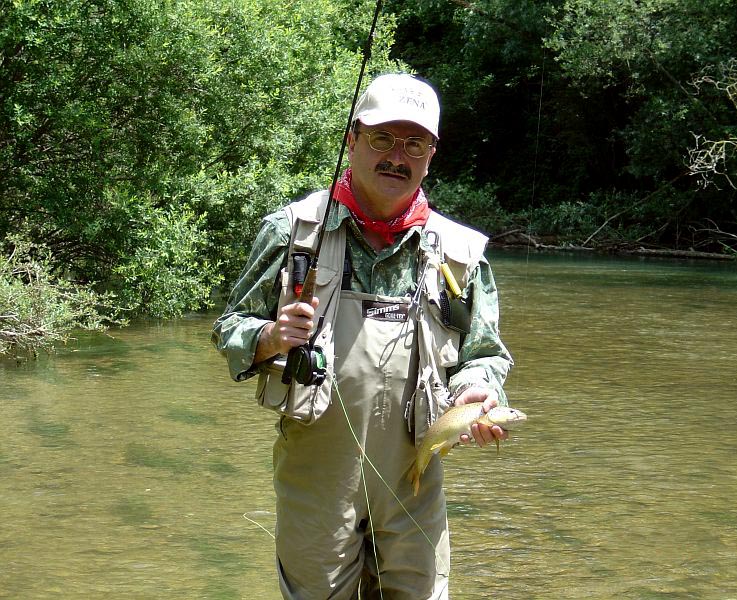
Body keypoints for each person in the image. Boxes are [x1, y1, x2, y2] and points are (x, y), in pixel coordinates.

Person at [212, 73, 513, 600]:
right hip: (316, 479)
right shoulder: (292, 232)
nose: (397, 156)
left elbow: (485, 355)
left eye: (414, 143)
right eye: (382, 139)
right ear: (353, 140)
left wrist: (480, 392)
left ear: (431, 154)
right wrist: (270, 337)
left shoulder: (462, 254)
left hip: (413, 478)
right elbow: (229, 329)